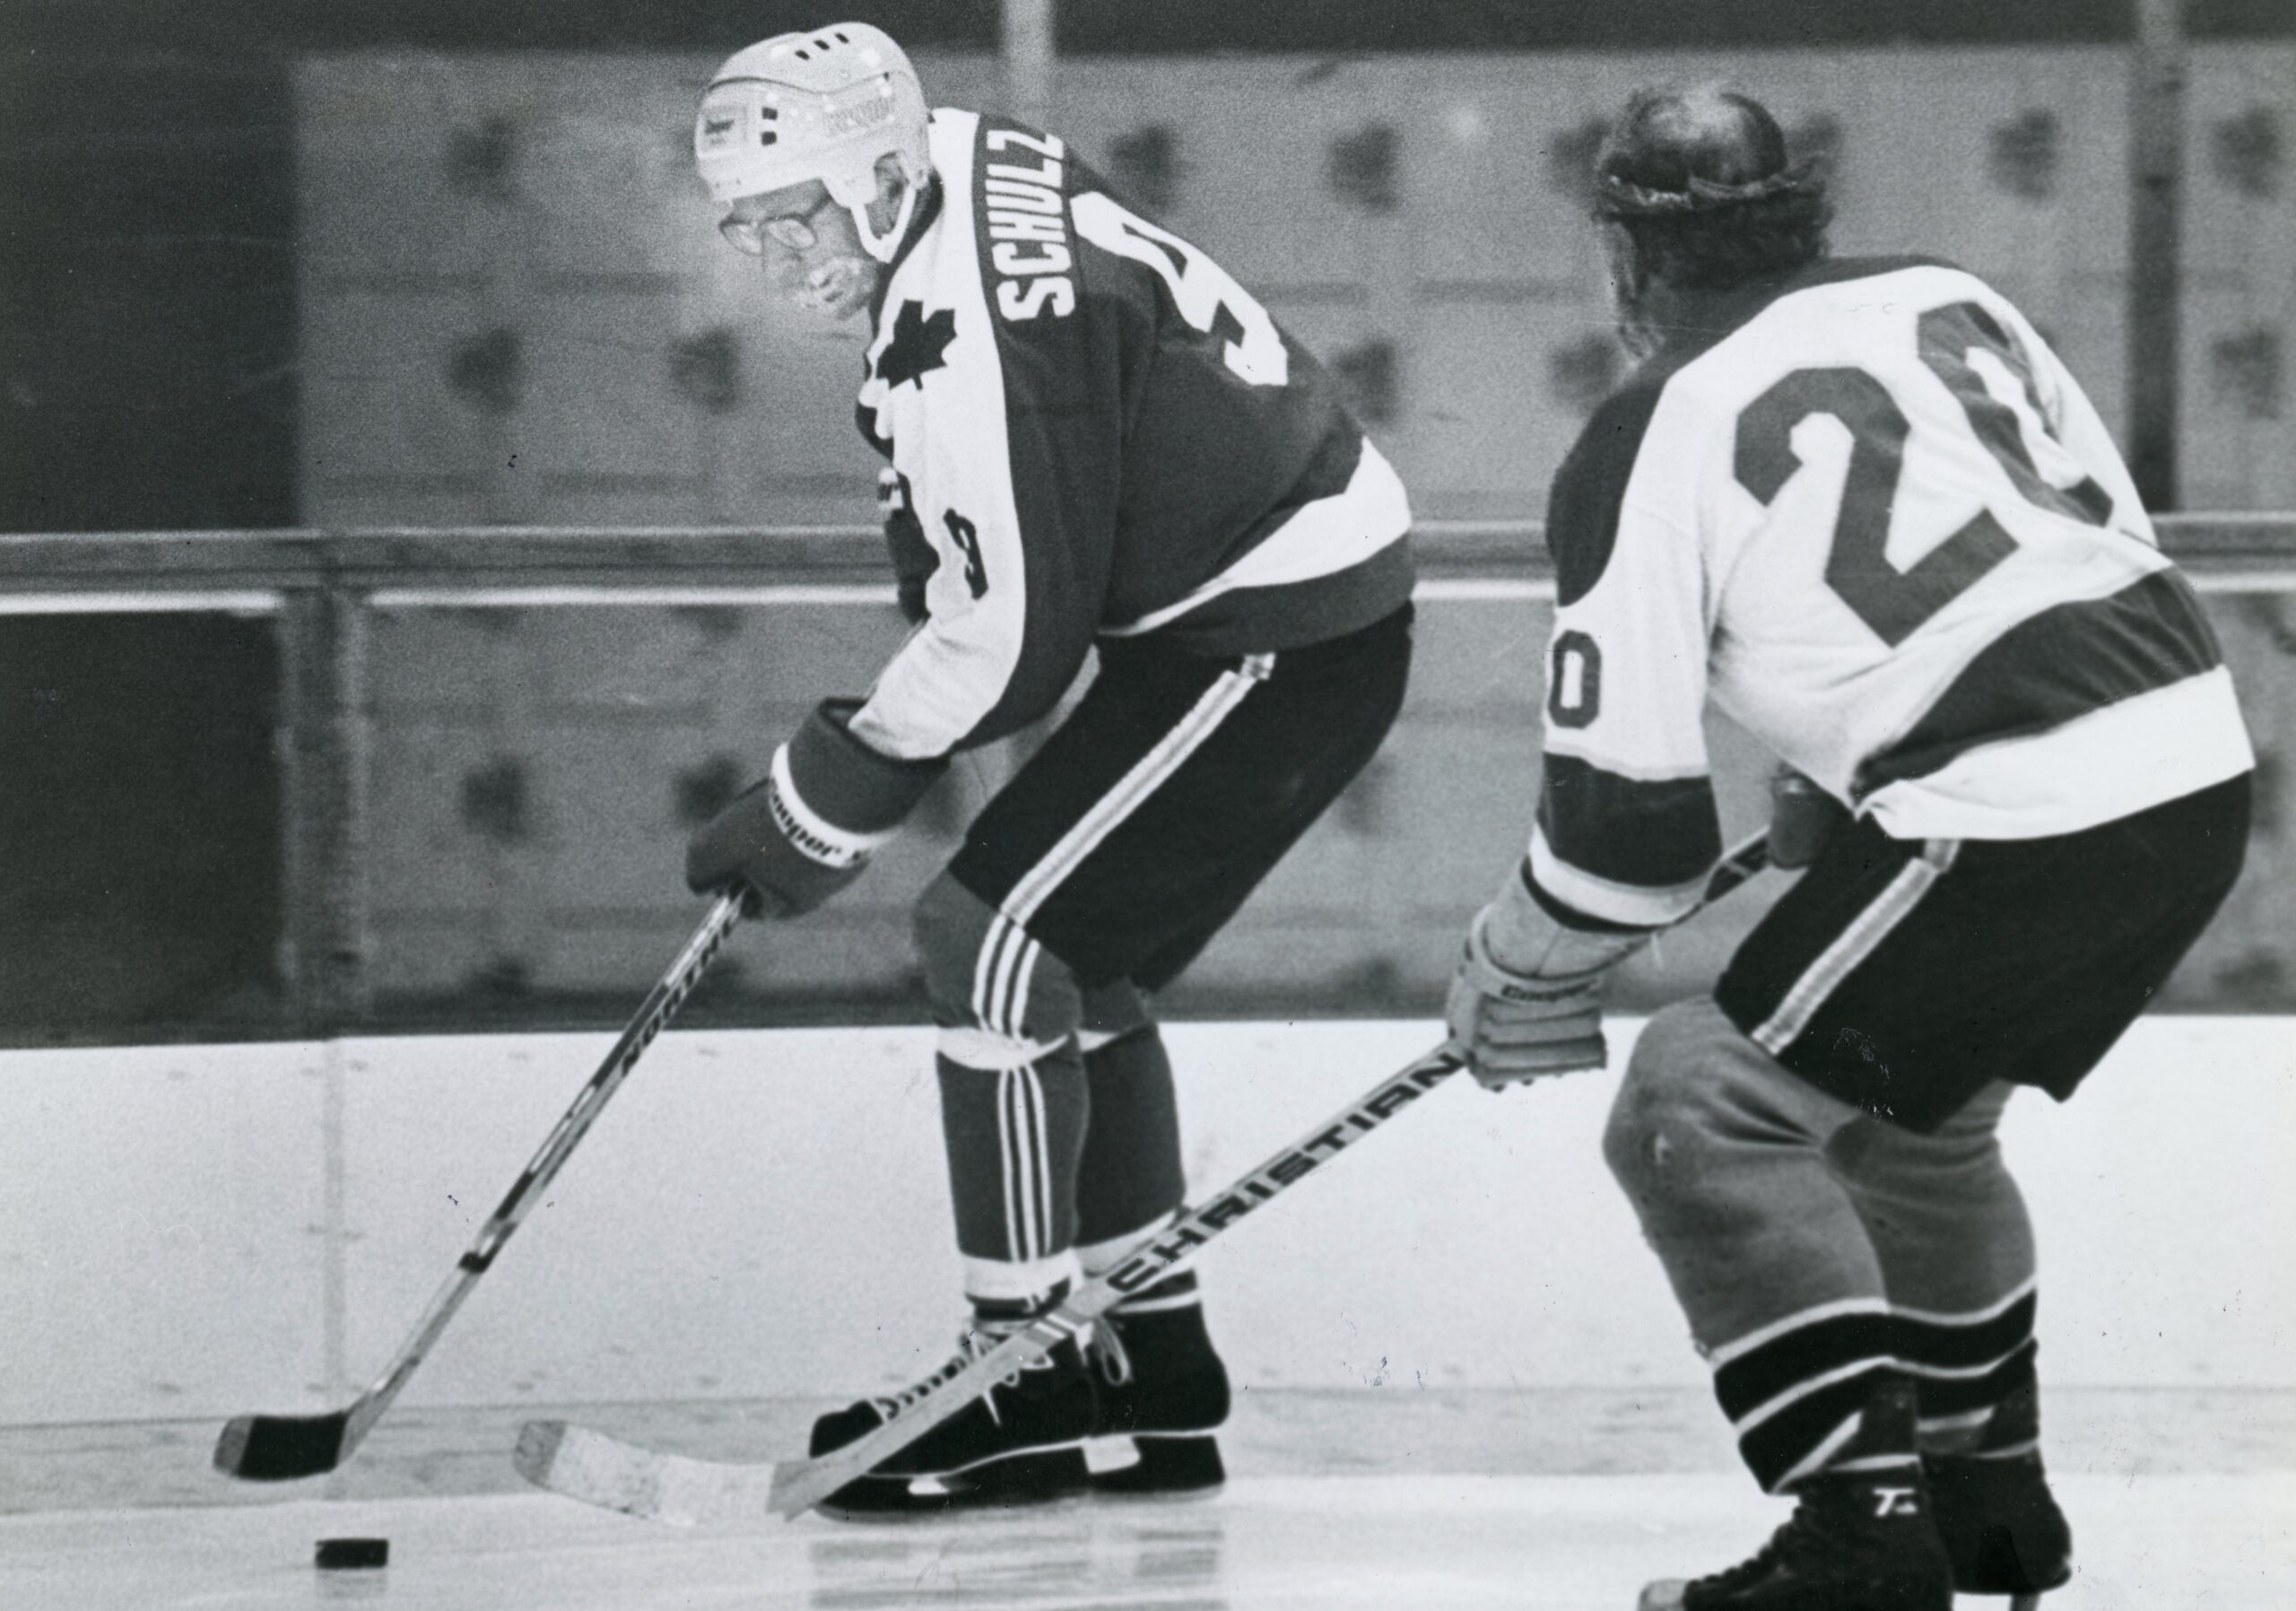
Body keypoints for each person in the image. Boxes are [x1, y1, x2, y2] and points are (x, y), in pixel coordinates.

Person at [1445, 85, 2253, 1611]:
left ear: (1624, 256)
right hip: (2191, 766)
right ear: (1802, 212)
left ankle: (1862, 1536)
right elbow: (2084, 544)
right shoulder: (1953, 299)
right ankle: (1988, 1505)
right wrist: (1844, 765)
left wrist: (1514, 965)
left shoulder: (1645, 432)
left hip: (2015, 810)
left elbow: (1623, 841)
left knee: (1697, 1109)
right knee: (1912, 1122)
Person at [683, 23, 1416, 1517]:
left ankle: (1015, 1373)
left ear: (879, 177)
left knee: (989, 938)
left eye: (794, 219)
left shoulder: (973, 322)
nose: (775, 264)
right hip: (1264, 601)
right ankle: (1152, 1362)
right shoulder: (959, 154)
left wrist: (817, 807)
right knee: (1075, 964)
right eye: (749, 233)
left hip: (1269, 634)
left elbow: (1009, 644)